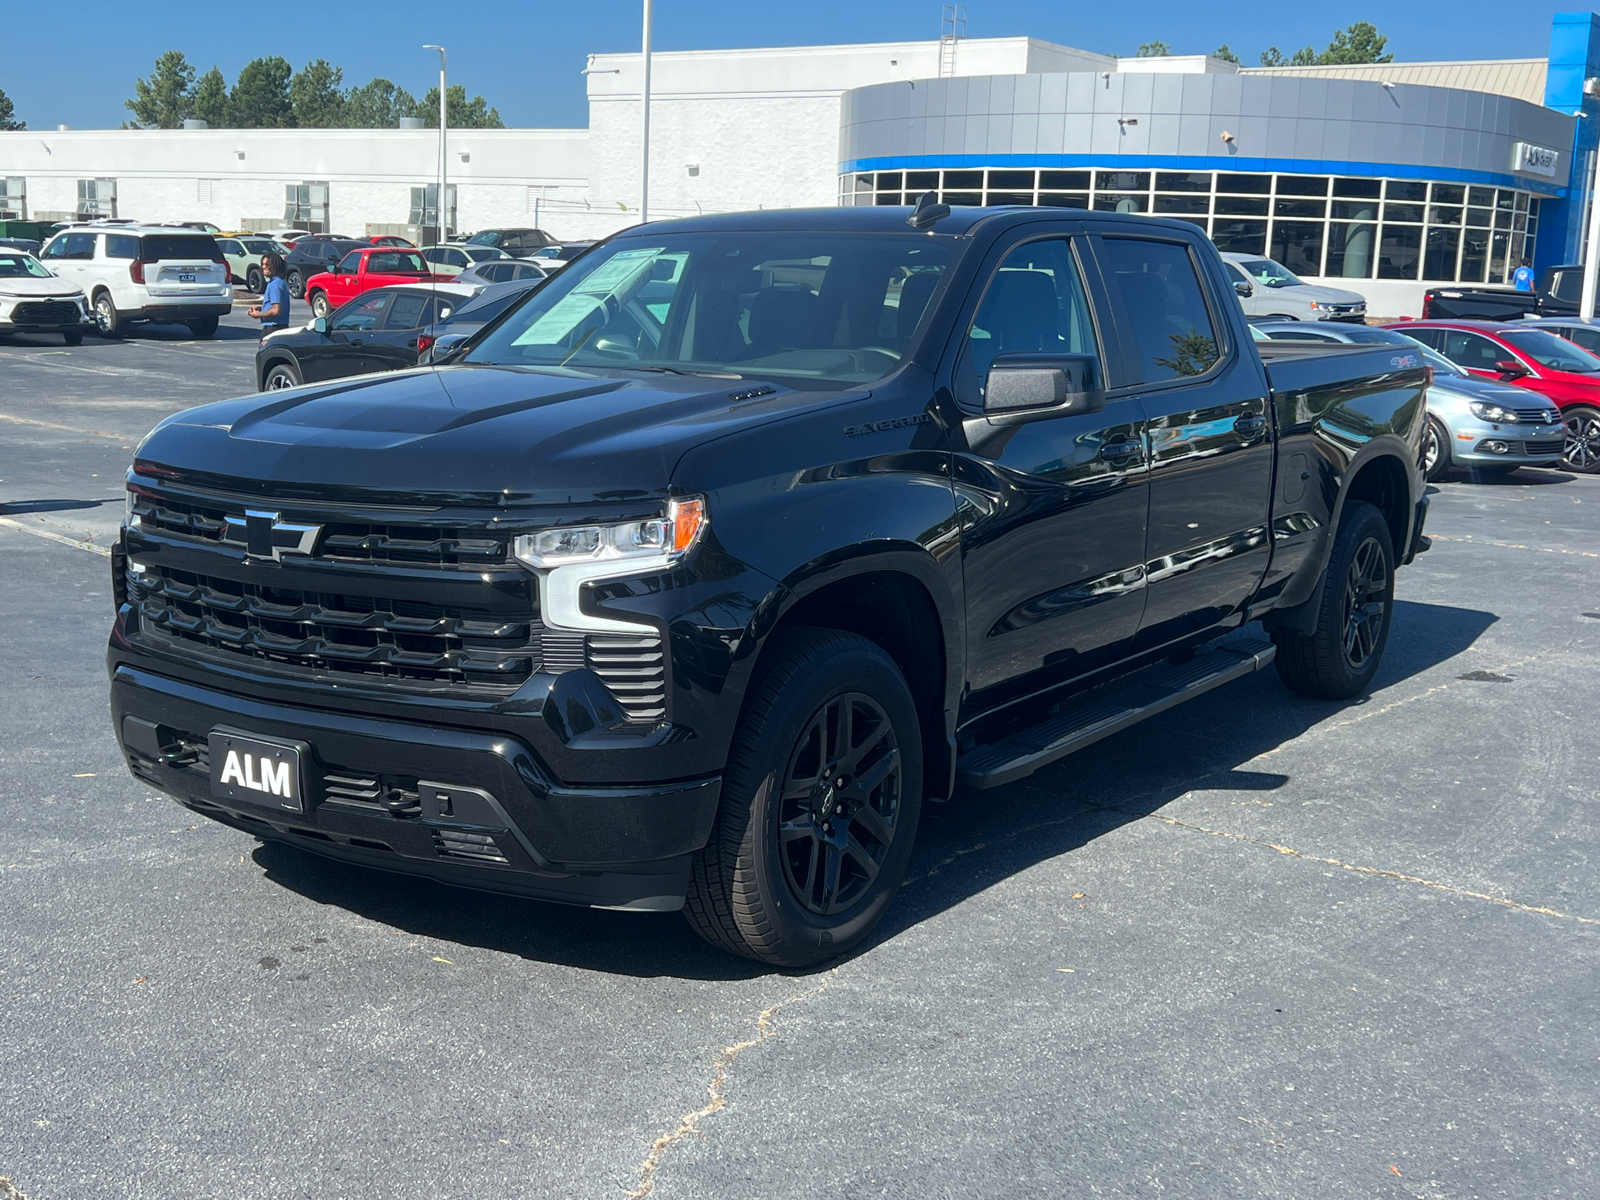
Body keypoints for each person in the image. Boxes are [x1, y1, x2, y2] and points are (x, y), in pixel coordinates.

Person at [248, 252, 291, 337]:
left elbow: (276, 310)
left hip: (273, 328)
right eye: (263, 264)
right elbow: (277, 304)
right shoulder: (280, 281)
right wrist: (261, 308)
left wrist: (258, 315)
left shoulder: (275, 284)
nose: (263, 267)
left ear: (276, 266)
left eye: (267, 264)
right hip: (279, 327)